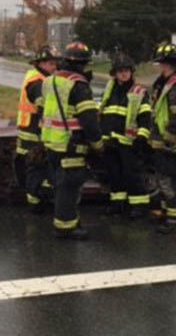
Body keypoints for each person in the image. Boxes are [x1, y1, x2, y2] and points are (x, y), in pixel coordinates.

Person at [40, 41, 103, 240]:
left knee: (59, 184)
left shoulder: (50, 80)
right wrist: (98, 144)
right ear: (84, 64)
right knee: (70, 186)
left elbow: (42, 108)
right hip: (70, 143)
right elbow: (89, 120)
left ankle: (68, 220)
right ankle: (65, 227)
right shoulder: (79, 84)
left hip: (50, 141)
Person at [99, 56, 152, 218]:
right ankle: (118, 204)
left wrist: (142, 137)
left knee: (133, 174)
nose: (124, 74)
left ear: (131, 72)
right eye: (120, 71)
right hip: (111, 141)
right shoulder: (109, 91)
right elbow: (103, 113)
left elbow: (145, 116)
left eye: (126, 71)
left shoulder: (138, 92)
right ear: (114, 73)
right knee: (114, 174)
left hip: (129, 142)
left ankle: (140, 206)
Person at [149, 44, 176, 235]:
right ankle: (168, 214)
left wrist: (168, 140)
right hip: (161, 142)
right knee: (163, 181)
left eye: (163, 64)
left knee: (172, 182)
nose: (160, 67)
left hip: (171, 144)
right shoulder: (163, 84)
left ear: (171, 64)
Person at [16, 46, 60, 213]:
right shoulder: (36, 81)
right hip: (32, 133)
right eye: (51, 63)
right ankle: (35, 202)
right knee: (36, 168)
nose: (54, 67)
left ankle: (42, 198)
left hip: (34, 131)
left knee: (43, 167)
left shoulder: (42, 78)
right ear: (40, 63)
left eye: (55, 63)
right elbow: (43, 103)